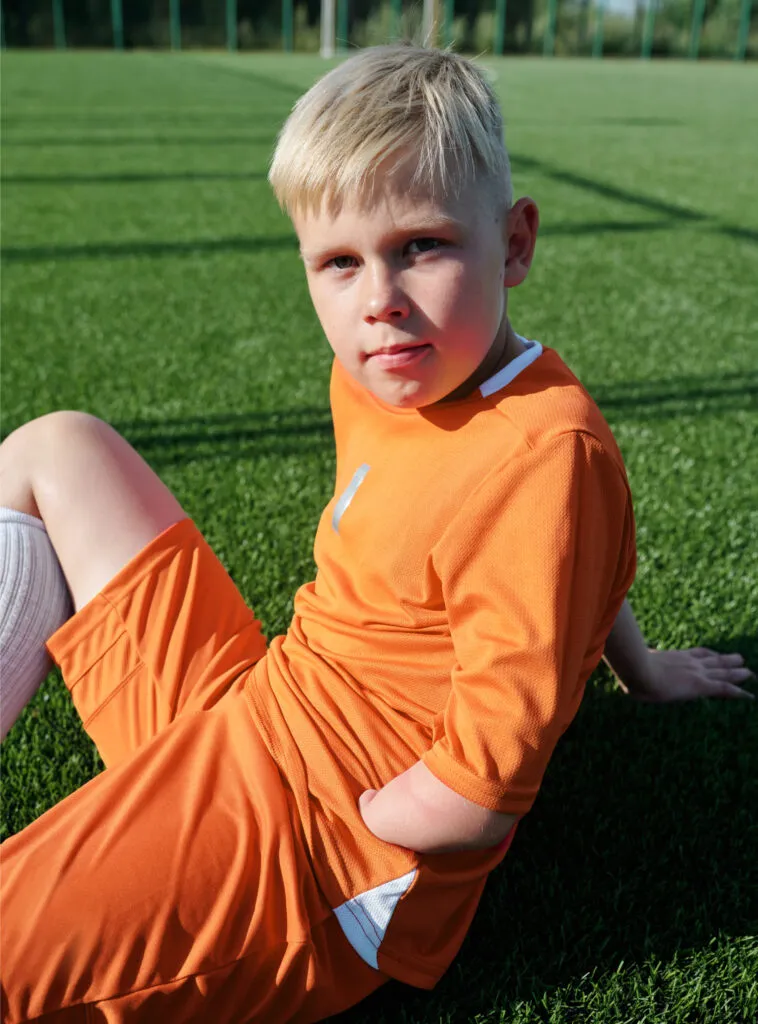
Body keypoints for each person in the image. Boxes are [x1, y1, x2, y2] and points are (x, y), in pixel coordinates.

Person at [0, 44, 752, 1024]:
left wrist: (364, 822)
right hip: (263, 706)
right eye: (340, 262)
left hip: (313, 856)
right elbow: (570, 574)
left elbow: (477, 795)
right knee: (57, 449)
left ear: (514, 243)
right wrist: (640, 669)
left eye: (421, 246)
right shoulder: (391, 370)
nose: (378, 299)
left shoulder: (540, 453)